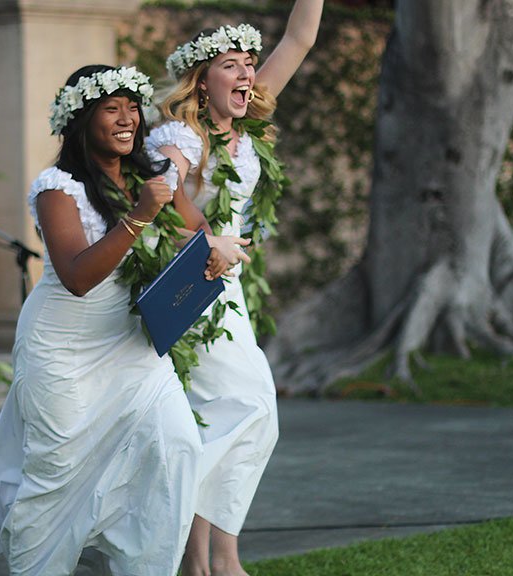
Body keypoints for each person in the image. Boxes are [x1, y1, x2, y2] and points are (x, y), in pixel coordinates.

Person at [0, 64, 245, 575]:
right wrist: (138, 216)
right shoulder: (56, 187)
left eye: (133, 107)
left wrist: (215, 249)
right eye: (112, 108)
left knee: (176, 447)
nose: (127, 117)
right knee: (55, 476)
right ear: (82, 119)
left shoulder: (154, 175)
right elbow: (77, 275)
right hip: (63, 347)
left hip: (133, 344)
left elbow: (193, 232)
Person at [145, 3, 323, 575]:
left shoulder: (244, 124)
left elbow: (300, 37)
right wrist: (207, 238)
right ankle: (216, 558)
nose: (248, 74)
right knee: (250, 406)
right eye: (231, 64)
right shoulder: (178, 134)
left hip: (229, 290)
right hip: (190, 287)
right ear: (202, 81)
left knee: (216, 416)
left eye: (250, 64)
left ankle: (205, 560)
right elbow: (153, 201)